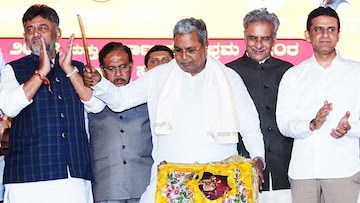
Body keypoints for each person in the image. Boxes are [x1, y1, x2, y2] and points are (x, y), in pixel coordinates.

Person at [83, 17, 265, 203]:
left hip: (216, 181)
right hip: (170, 179)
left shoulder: (229, 78)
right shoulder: (158, 76)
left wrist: (258, 157)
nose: (184, 57)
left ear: (206, 45)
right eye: (178, 50)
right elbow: (121, 100)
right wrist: (99, 83)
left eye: (191, 50)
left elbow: (249, 123)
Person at [0, 4, 93, 203]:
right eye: (29, 29)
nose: (35, 34)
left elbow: (96, 106)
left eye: (42, 27)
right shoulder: (13, 69)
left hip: (73, 176)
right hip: (26, 179)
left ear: (57, 33)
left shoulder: (78, 69)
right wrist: (41, 72)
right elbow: (9, 106)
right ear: (24, 36)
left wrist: (70, 71)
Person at [276, 6, 360, 203]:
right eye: (318, 29)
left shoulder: (356, 73)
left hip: (343, 169)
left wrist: (350, 128)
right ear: (307, 34)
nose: (325, 35)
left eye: (331, 29)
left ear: (339, 34)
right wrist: (311, 125)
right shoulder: (293, 76)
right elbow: (284, 124)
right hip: (304, 169)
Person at [226, 8, 293, 202]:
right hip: (241, 167)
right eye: (252, 38)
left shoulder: (289, 72)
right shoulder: (229, 73)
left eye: (265, 38)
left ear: (274, 38)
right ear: (244, 37)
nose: (258, 45)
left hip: (284, 168)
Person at [88, 42, 153, 203]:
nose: (118, 73)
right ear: (102, 70)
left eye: (123, 67)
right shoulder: (90, 99)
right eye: (111, 69)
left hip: (144, 185)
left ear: (132, 66)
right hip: (106, 186)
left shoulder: (147, 96)